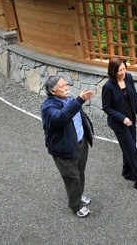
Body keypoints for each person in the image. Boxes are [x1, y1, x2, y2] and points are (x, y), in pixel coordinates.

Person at [40, 75, 95, 218]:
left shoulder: (69, 100)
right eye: (62, 86)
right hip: (63, 148)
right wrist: (80, 100)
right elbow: (61, 117)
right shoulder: (48, 107)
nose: (66, 88)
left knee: (80, 172)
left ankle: (79, 194)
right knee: (72, 176)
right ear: (53, 91)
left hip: (80, 143)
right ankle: (76, 205)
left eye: (66, 85)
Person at [101, 57, 137, 192]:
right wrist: (122, 118)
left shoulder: (128, 78)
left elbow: (134, 98)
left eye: (124, 69)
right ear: (113, 71)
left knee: (129, 147)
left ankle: (127, 172)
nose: (123, 72)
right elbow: (106, 107)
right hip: (120, 124)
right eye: (119, 71)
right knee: (133, 151)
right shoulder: (108, 86)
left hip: (132, 120)